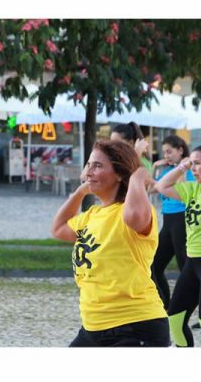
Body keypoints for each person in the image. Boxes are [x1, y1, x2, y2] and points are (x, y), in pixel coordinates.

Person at [51, 140, 169, 347]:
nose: (88, 172)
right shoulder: (92, 215)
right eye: (88, 165)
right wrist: (80, 193)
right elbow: (58, 229)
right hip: (93, 327)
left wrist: (136, 177)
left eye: (97, 166)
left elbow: (134, 217)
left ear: (119, 174)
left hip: (135, 325)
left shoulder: (134, 211)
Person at [154, 146, 201, 346]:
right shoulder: (192, 189)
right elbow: (161, 186)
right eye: (192, 163)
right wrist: (183, 166)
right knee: (175, 318)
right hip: (192, 263)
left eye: (197, 163)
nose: (194, 168)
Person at [151, 135, 194, 310]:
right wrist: (155, 167)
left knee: (187, 269)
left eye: (169, 151)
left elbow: (184, 192)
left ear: (180, 150)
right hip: (168, 222)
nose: (166, 156)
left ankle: (187, 310)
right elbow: (151, 189)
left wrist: (182, 168)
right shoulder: (167, 171)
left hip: (181, 219)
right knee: (154, 265)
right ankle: (165, 305)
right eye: (164, 152)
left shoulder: (191, 169)